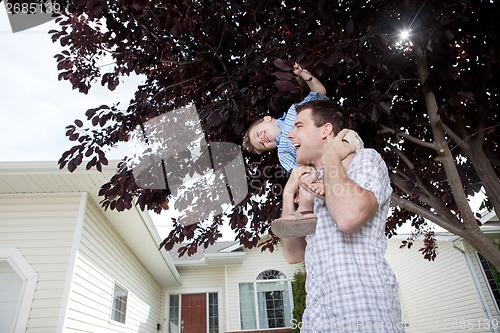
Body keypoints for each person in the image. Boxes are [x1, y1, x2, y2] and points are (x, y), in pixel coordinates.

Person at [279, 99, 403, 332]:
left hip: (362, 308)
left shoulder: (365, 159)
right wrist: (289, 192)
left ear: (326, 130)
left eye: (298, 126)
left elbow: (348, 218)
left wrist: (330, 158)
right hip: (317, 316)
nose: (290, 135)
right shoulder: (312, 182)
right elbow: (293, 254)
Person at [243, 63, 364, 238]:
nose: (262, 139)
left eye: (258, 134)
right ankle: (304, 212)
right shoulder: (282, 152)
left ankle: (329, 184)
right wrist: (305, 184)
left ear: (266, 119)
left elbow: (319, 93)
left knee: (346, 146)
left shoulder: (296, 111)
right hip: (319, 167)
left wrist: (305, 75)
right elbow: (298, 170)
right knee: (303, 177)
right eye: (262, 144)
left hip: (338, 142)